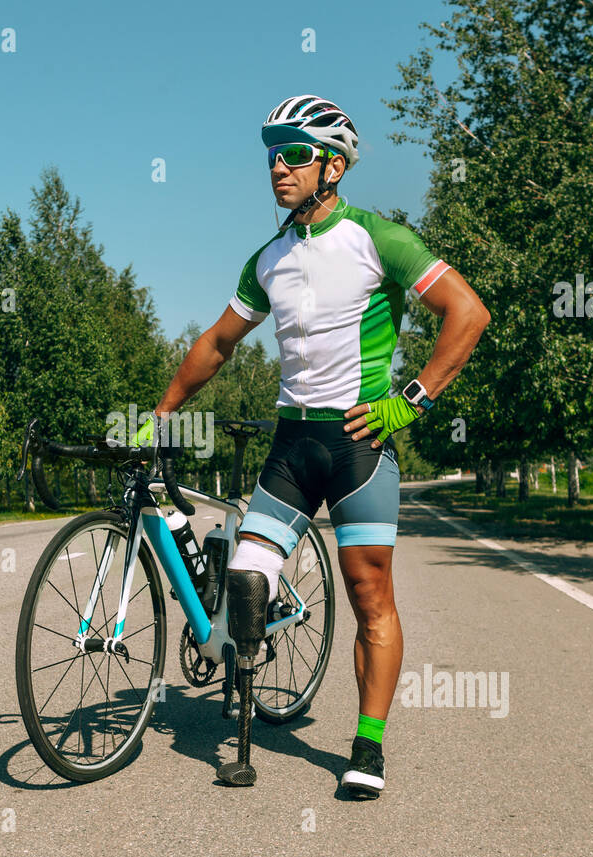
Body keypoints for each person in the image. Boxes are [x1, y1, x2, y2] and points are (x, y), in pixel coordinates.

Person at [145, 94, 490, 796]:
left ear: (334, 163)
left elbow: (468, 311)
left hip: (359, 445)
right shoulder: (267, 259)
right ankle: (246, 689)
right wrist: (161, 412)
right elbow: (217, 344)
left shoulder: (378, 238)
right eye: (273, 155)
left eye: (296, 154)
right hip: (291, 446)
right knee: (244, 582)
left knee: (370, 596)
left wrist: (410, 400)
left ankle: (367, 747)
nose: (280, 167)